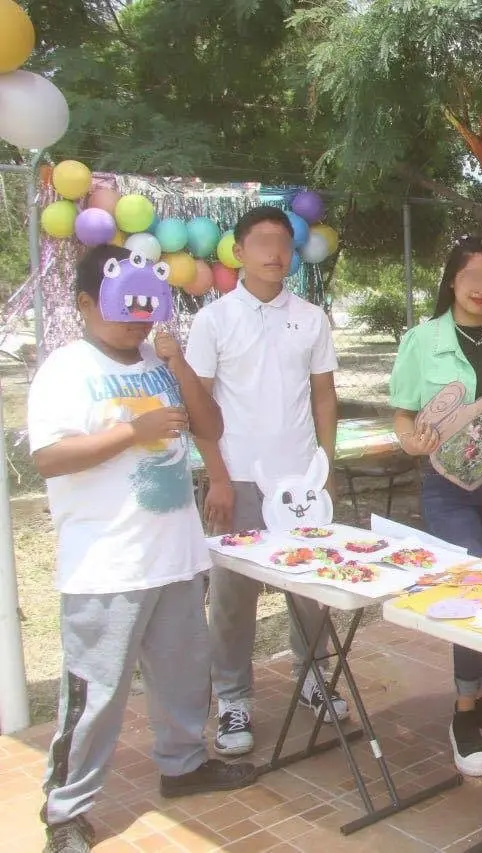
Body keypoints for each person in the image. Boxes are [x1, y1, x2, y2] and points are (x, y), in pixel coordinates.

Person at [31, 246, 255, 853]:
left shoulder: (159, 362)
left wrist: (177, 362)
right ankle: (68, 809)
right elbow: (48, 457)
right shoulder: (67, 368)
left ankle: (183, 766)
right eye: (120, 308)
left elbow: (209, 429)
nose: (135, 320)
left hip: (176, 557)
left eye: (143, 308)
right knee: (96, 694)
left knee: (184, 676)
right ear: (84, 303)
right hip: (105, 565)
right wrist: (133, 432)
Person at [185, 206, 344, 758]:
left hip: (301, 481)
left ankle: (316, 679)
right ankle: (233, 698)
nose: (276, 253)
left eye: (284, 243)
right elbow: (199, 405)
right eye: (264, 243)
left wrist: (326, 466)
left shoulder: (312, 317)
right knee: (233, 597)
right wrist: (218, 479)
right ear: (239, 249)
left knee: (311, 587)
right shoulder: (214, 320)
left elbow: (323, 393)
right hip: (240, 479)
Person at [389, 234, 482, 777]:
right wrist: (412, 443)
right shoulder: (422, 340)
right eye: (470, 278)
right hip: (447, 485)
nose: (480, 289)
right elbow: (405, 417)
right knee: (470, 586)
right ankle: (462, 715)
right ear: (452, 279)